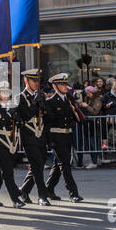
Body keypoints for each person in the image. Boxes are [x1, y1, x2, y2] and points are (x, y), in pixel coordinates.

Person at [45, 73, 84, 203]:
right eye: (62, 84)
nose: (65, 86)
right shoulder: (50, 102)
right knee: (65, 165)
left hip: (67, 136)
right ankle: (73, 193)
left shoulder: (68, 100)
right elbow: (48, 123)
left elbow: (75, 118)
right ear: (55, 87)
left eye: (66, 84)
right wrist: (49, 140)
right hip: (56, 136)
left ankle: (48, 189)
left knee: (58, 164)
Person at [0, 81, 26, 209]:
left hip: (10, 143)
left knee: (2, 171)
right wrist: (9, 114)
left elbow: (20, 125)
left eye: (8, 92)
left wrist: (17, 117)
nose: (7, 95)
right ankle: (15, 198)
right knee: (8, 171)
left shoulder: (9, 107)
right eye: (3, 92)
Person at [17, 70, 51, 206]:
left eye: (37, 81)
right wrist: (34, 104)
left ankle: (24, 190)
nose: (36, 83)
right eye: (33, 81)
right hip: (29, 135)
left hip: (41, 135)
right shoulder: (20, 97)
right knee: (37, 164)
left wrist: (44, 106)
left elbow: (49, 116)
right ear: (26, 81)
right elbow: (25, 116)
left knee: (39, 165)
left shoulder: (40, 95)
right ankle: (42, 196)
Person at [79, 86, 102, 169]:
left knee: (93, 142)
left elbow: (95, 111)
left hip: (94, 123)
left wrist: (86, 106)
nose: (87, 94)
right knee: (90, 142)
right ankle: (92, 160)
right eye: (87, 93)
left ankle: (95, 161)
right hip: (87, 122)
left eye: (88, 93)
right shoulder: (87, 99)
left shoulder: (97, 99)